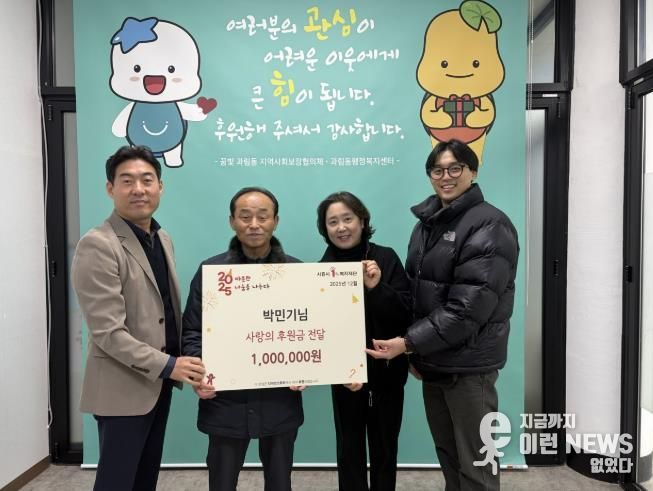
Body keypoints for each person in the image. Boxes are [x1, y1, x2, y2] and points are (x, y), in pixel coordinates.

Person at [366, 139, 519, 491]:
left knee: (477, 464)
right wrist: (415, 350)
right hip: (434, 360)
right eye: (437, 170)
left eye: (455, 168)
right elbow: (418, 295)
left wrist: (409, 344)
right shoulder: (426, 225)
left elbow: (468, 308)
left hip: (469, 367)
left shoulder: (490, 226)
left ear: (472, 171)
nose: (445, 177)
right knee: (449, 455)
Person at [71, 145, 206, 491]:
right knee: (117, 482)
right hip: (122, 388)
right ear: (110, 188)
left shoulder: (162, 237)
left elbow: (165, 313)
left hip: (157, 384)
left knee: (144, 479)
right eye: (127, 180)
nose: (138, 189)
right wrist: (170, 365)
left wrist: (190, 363)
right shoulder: (99, 244)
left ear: (160, 186)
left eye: (147, 180)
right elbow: (108, 333)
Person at [182, 187, 304, 491]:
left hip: (279, 400)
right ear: (232, 221)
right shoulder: (212, 272)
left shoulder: (296, 273)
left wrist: (306, 368)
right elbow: (192, 331)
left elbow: (310, 333)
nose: (254, 224)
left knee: (280, 483)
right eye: (245, 216)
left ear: (275, 221)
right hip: (225, 400)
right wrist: (199, 375)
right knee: (222, 482)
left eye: (263, 216)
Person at [316, 192, 412, 491]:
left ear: (362, 221)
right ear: (325, 228)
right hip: (345, 378)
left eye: (348, 219)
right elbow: (319, 329)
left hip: (387, 374)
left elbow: (406, 312)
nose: (341, 227)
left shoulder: (385, 257)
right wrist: (334, 368)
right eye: (333, 222)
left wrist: (377, 287)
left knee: (385, 449)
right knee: (349, 450)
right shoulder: (321, 269)